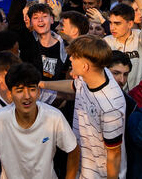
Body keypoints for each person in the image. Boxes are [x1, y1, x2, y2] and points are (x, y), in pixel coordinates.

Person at [40, 35, 126, 178]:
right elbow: (74, 86)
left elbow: (114, 153)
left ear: (85, 67)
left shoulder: (111, 105)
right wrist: (43, 84)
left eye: (73, 57)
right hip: (82, 168)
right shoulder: (92, 76)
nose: (71, 60)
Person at [0, 63, 79, 179]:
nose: (27, 96)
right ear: (10, 94)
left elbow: (73, 149)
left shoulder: (54, 117)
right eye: (20, 90)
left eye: (32, 89)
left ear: (39, 92)